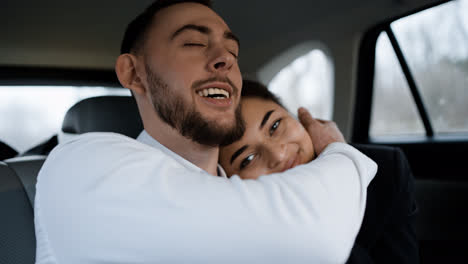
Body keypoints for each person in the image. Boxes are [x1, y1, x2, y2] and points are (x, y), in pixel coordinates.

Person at [34, 1, 377, 263]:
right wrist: (337, 149)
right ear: (134, 74)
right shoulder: (82, 164)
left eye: (233, 51)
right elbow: (315, 238)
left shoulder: (238, 190)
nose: (224, 59)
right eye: (194, 44)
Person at [219, 79, 419, 263]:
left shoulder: (386, 170)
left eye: (275, 126)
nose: (278, 155)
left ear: (298, 119)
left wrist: (337, 160)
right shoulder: (245, 233)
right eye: (248, 159)